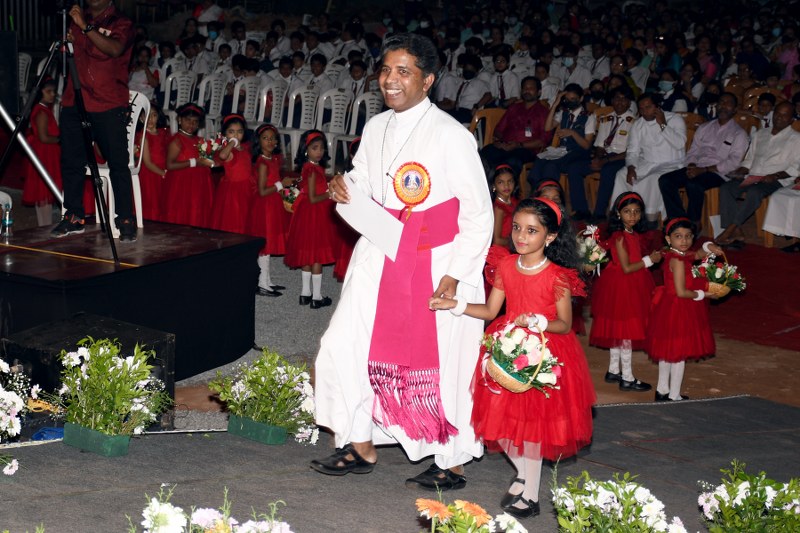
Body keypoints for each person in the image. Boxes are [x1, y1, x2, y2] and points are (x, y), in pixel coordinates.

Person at [310, 33, 493, 491]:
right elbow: (365, 180)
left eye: (404, 71)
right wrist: (345, 186)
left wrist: (456, 275)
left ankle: (451, 458)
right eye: (386, 70)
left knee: (445, 360)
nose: (390, 80)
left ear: (427, 80)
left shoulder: (452, 135)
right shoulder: (376, 127)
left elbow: (478, 214)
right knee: (344, 342)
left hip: (439, 260)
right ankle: (360, 441)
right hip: (382, 248)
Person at [428, 198, 595, 518]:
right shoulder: (506, 266)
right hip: (507, 347)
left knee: (532, 429)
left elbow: (564, 323)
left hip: (544, 352)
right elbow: (491, 310)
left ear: (550, 236)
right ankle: (522, 474)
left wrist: (539, 321)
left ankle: (530, 496)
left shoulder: (557, 276)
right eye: (517, 227)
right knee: (501, 424)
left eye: (532, 231)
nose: (521, 236)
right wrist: (456, 305)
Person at [51, 0, 137, 241]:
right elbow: (69, 57)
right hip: (75, 100)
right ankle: (74, 216)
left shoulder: (122, 22)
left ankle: (125, 218)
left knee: (117, 164)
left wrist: (85, 27)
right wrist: (68, 42)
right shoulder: (77, 18)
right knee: (71, 162)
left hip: (108, 103)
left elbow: (114, 49)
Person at [646, 218, 723, 402]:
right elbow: (681, 292)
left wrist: (709, 246)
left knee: (667, 352)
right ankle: (674, 395)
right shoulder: (678, 261)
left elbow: (697, 254)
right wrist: (704, 294)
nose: (684, 240)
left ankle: (662, 390)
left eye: (688, 236)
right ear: (668, 238)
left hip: (668, 307)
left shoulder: (675, 254)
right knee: (678, 354)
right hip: (679, 308)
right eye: (678, 236)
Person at [590, 193, 661, 392]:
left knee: (619, 328)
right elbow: (627, 267)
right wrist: (650, 260)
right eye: (627, 211)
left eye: (637, 212)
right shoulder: (619, 236)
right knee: (626, 331)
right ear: (618, 213)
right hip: (622, 285)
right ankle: (627, 377)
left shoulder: (632, 234)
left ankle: (614, 370)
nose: (632, 216)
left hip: (630, 283)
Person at [715, 102, 800, 248]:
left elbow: (796, 167)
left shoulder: (796, 139)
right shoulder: (761, 134)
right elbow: (749, 160)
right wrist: (740, 170)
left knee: (755, 192)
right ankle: (737, 231)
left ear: (792, 119)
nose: (779, 117)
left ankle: (730, 229)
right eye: (777, 113)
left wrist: (775, 176)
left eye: (785, 115)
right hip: (753, 176)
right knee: (727, 188)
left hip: (777, 180)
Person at [659, 93, 749, 228]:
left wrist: (704, 170)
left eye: (728, 103)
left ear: (735, 109)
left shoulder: (739, 133)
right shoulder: (705, 127)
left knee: (693, 184)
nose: (723, 105)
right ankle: (678, 218)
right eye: (721, 102)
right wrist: (691, 165)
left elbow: (733, 162)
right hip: (698, 167)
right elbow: (693, 151)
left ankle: (694, 222)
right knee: (665, 180)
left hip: (719, 173)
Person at [610, 94, 686, 227]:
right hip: (647, 162)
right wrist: (631, 167)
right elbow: (633, 151)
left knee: (652, 179)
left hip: (672, 163)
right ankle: (620, 215)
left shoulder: (674, 119)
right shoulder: (638, 124)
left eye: (648, 107)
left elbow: (679, 144)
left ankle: (648, 220)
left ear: (657, 106)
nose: (645, 111)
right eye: (641, 108)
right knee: (621, 174)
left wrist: (663, 124)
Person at [283, 130, 338, 309]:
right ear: (306, 150)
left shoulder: (309, 168)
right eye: (315, 148)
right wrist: (329, 194)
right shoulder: (313, 170)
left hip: (306, 214)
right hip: (314, 215)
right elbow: (314, 198)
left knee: (307, 254)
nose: (319, 151)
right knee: (316, 256)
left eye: (321, 148)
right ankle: (317, 297)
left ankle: (305, 293)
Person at [566, 86, 636, 221]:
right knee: (574, 167)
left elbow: (631, 152)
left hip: (622, 158)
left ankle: (599, 213)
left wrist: (604, 161)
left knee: (607, 171)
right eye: (617, 98)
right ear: (612, 100)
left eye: (624, 99)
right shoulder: (605, 119)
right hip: (604, 156)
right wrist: (598, 159)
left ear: (629, 103)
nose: (620, 102)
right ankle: (581, 210)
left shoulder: (635, 122)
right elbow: (600, 144)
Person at [528, 84, 596, 203]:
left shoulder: (589, 116)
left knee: (550, 166)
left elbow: (586, 145)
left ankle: (550, 199)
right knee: (539, 160)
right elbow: (547, 127)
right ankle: (536, 195)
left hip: (579, 152)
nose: (570, 102)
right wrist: (555, 104)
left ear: (580, 98)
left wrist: (572, 133)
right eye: (567, 99)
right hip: (562, 151)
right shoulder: (564, 112)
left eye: (573, 99)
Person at [249, 124, 293, 297]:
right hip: (264, 206)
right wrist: (282, 184)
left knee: (270, 242)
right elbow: (262, 191)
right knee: (265, 245)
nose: (269, 141)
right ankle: (262, 283)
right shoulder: (262, 163)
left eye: (272, 138)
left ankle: (267, 280)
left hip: (273, 204)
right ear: (258, 141)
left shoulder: (273, 160)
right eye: (265, 138)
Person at [479, 77, 550, 176]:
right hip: (505, 145)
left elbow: (543, 141)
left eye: (531, 88)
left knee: (513, 160)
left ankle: (505, 184)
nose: (527, 90)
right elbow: (498, 130)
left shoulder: (543, 112)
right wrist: (501, 142)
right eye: (525, 88)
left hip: (526, 149)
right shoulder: (513, 108)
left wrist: (519, 145)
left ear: (539, 92)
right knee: (485, 153)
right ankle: (486, 183)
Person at [162, 103, 215, 228]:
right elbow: (169, 165)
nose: (191, 124)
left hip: (198, 184)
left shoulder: (199, 140)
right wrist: (194, 162)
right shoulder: (177, 140)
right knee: (182, 212)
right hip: (182, 184)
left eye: (195, 122)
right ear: (180, 120)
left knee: (196, 212)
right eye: (188, 120)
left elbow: (205, 159)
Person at [22, 78, 61, 227]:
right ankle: (45, 226)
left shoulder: (44, 109)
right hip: (45, 154)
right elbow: (43, 137)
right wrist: (61, 139)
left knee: (44, 193)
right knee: (44, 192)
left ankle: (44, 226)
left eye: (53, 91)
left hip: (46, 152)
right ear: (40, 93)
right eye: (48, 91)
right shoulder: (42, 112)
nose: (52, 94)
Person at [209, 115, 253, 234]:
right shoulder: (229, 151)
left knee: (246, 218)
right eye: (231, 132)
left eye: (239, 132)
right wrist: (232, 143)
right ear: (225, 134)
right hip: (233, 192)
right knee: (234, 219)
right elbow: (222, 156)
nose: (236, 135)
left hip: (246, 187)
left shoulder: (245, 148)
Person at [138, 107, 169, 222]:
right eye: (146, 115)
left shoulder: (164, 133)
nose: (150, 119)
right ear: (141, 118)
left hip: (163, 170)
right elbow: (147, 163)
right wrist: (163, 173)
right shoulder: (143, 137)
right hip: (151, 173)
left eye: (154, 115)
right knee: (152, 201)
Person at [490, 164, 519, 248]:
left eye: (510, 181)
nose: (506, 186)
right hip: (505, 248)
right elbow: (497, 240)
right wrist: (516, 241)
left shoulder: (515, 202)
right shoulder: (498, 209)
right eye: (501, 182)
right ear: (494, 185)